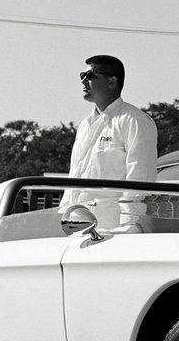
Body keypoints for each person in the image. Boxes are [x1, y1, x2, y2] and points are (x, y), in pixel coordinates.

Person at [60, 54, 158, 223]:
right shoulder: (84, 125)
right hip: (76, 229)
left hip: (112, 232)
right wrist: (62, 219)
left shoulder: (134, 120)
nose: (83, 81)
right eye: (81, 76)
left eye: (90, 76)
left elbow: (140, 181)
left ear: (112, 82)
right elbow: (73, 181)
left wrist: (129, 226)